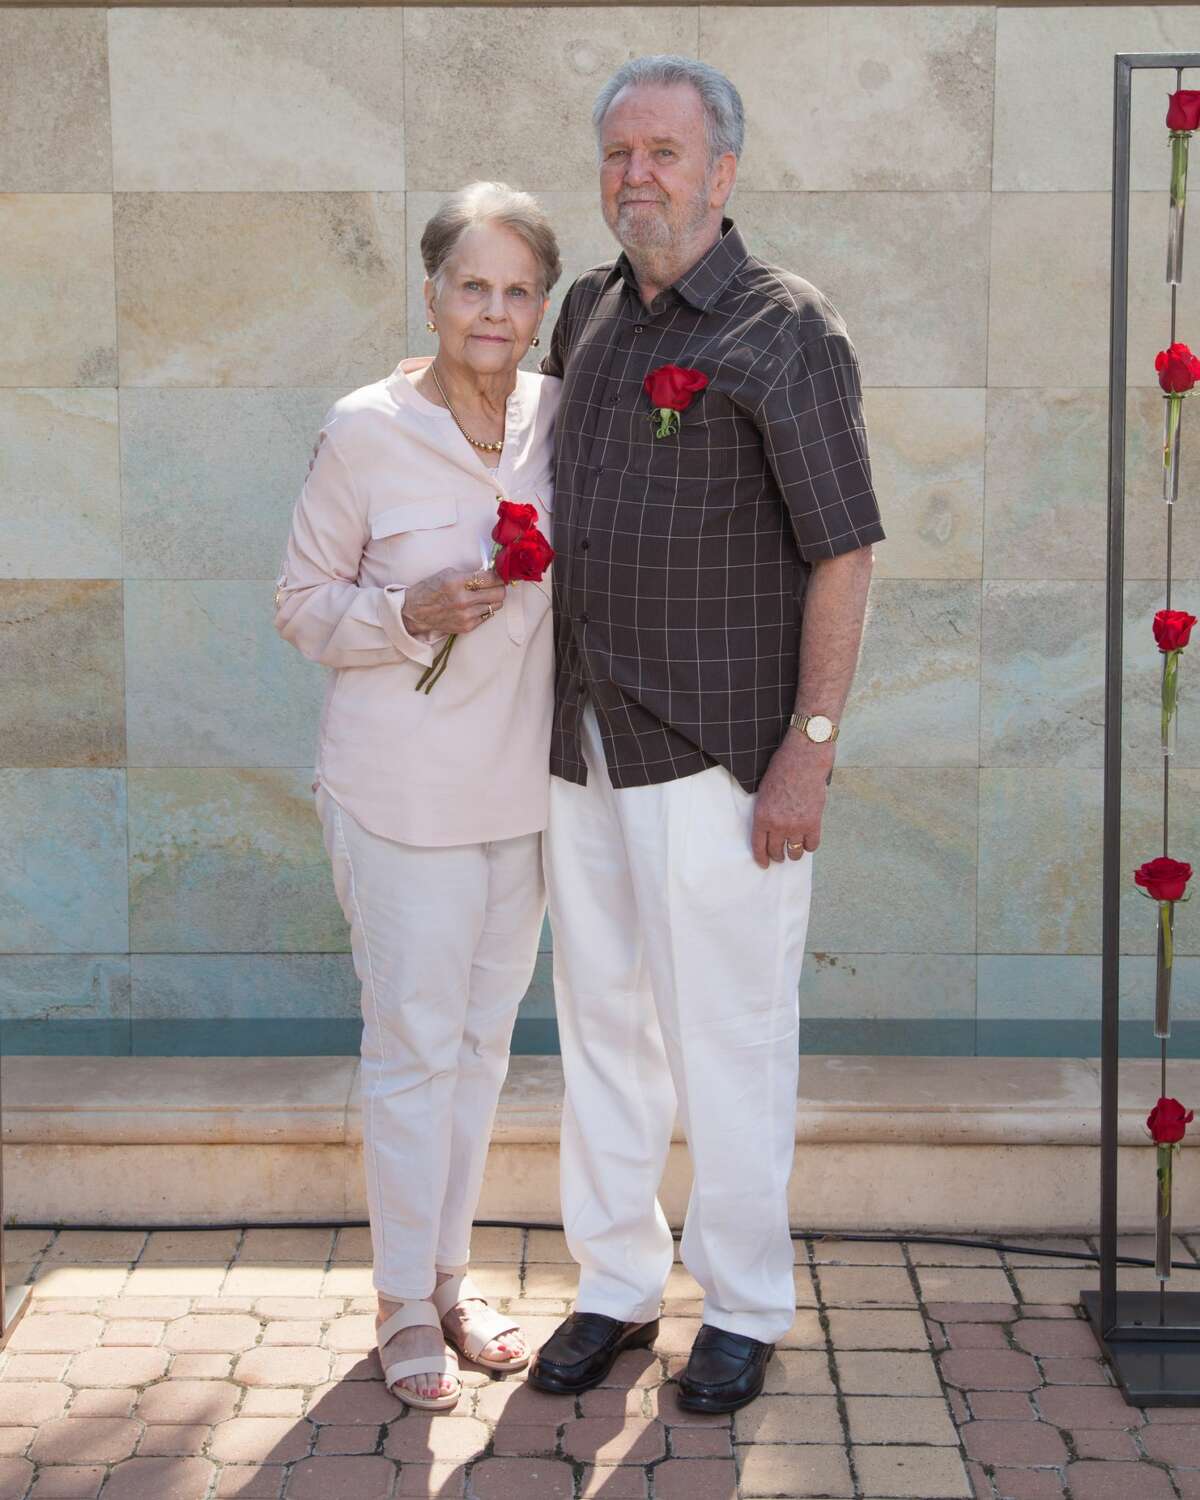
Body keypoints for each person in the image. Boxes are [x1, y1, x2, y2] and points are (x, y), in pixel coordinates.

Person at [527, 56, 885, 1414]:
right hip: (587, 744)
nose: (638, 176)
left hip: (728, 759)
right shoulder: (590, 313)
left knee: (729, 1041)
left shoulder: (787, 330)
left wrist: (811, 747)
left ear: (723, 171)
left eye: (665, 153)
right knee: (602, 1031)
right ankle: (617, 1285)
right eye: (620, 153)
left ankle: (740, 1305)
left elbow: (844, 552)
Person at [274, 182, 561, 1411]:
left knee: (483, 1054)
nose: (493, 311)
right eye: (471, 286)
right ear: (432, 294)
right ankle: (399, 1309)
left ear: (543, 307)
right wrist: (406, 614)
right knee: (409, 1053)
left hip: (527, 797)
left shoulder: (563, 417)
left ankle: (449, 1280)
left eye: (517, 290)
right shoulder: (364, 427)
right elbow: (299, 605)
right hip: (398, 797)